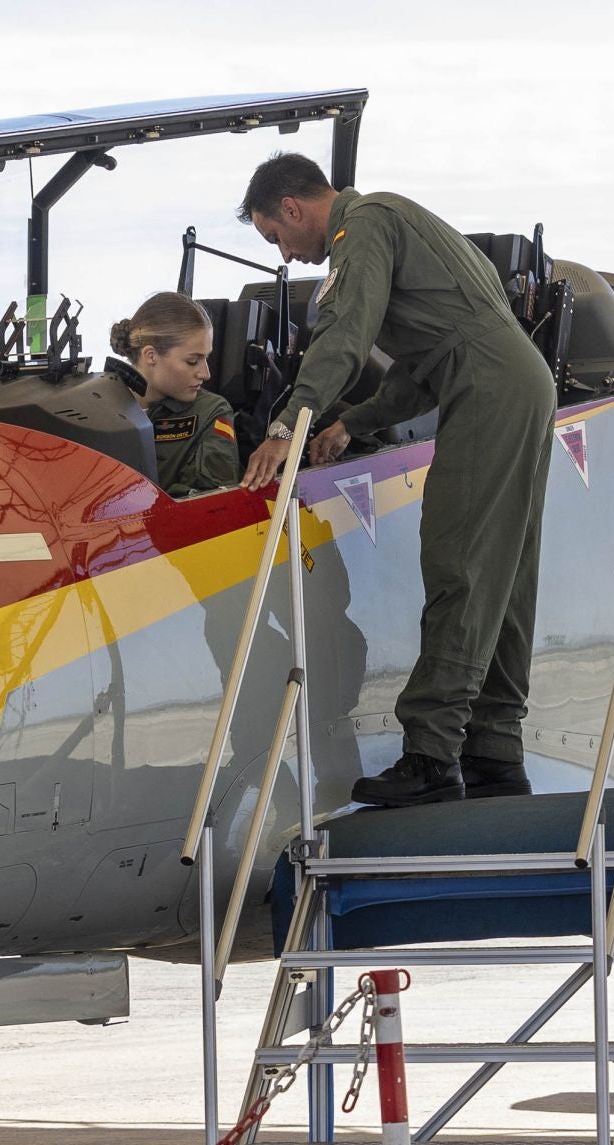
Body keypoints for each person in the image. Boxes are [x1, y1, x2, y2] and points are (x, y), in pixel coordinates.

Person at [236, 153, 556, 807]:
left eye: (277, 236)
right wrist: (353, 423)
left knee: (460, 563)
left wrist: (287, 423)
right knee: (504, 574)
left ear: (293, 209)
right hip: (512, 380)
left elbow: (345, 332)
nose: (288, 256)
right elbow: (430, 360)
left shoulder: (366, 226)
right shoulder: (395, 221)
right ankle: (495, 751)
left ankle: (431, 758)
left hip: (488, 389)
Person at [109, 293, 240, 498]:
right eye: (192, 361)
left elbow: (208, 502)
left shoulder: (210, 413)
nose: (205, 373)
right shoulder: (97, 407)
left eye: (206, 358)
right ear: (150, 355)